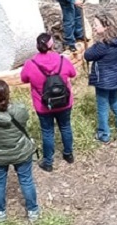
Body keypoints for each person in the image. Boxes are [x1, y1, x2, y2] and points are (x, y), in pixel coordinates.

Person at [0, 80, 41, 223]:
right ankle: (33, 211)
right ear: (8, 94)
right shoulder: (20, 110)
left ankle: (0, 213)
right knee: (26, 181)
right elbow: (24, 120)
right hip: (21, 151)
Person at [20, 33, 77, 172]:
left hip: (43, 105)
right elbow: (73, 73)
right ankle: (68, 155)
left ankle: (48, 162)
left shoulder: (31, 64)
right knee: (65, 127)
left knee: (47, 132)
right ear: (52, 45)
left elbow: (24, 79)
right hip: (64, 102)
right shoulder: (62, 60)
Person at [83, 11, 117, 143]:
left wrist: (93, 42)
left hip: (103, 80)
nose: (94, 27)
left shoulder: (102, 45)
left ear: (106, 27)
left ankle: (104, 134)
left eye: (96, 25)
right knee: (115, 102)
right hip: (116, 77)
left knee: (102, 107)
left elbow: (87, 55)